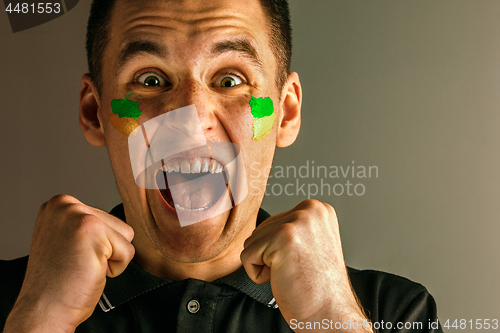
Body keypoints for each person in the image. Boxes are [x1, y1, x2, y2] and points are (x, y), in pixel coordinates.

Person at [0, 0, 443, 332]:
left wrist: (331, 318)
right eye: (150, 80)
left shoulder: (394, 313)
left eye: (230, 80)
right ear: (94, 112)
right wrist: (39, 320)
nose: (191, 124)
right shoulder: (18, 304)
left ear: (285, 114)